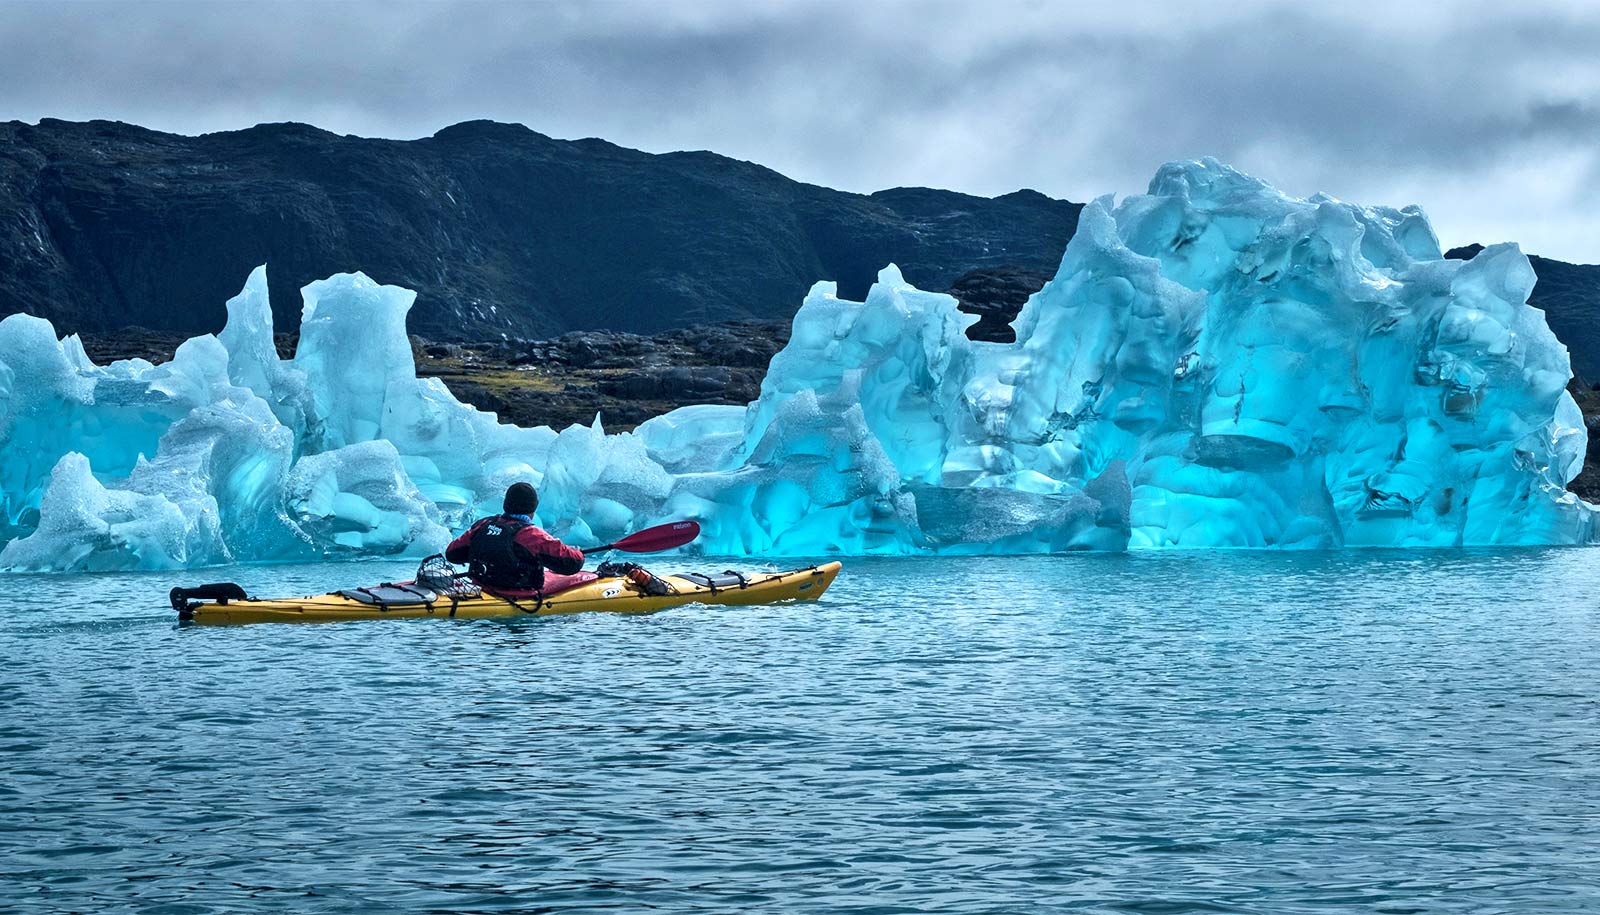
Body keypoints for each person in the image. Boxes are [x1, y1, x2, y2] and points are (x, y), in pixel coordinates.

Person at [445, 482, 584, 592]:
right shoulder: (531, 535)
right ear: (533, 507)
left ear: (506, 504)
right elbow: (573, 564)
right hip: (518, 594)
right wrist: (577, 551)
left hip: (482, 588)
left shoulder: (483, 525)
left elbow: (452, 554)